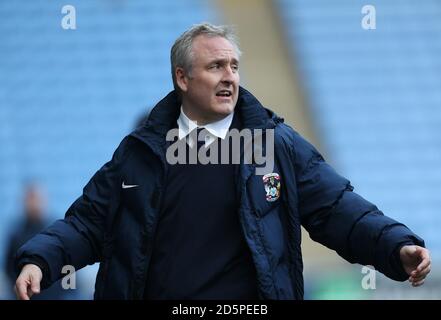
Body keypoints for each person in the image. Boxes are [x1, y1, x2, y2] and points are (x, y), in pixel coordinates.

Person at [14, 23, 430, 300]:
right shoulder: (140, 151)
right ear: (182, 78)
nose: (230, 76)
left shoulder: (276, 144)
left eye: (234, 65)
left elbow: (337, 208)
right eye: (216, 66)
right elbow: (88, 223)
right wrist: (41, 259)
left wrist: (395, 245)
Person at [5, 183, 75, 299]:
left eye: (37, 198)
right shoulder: (16, 235)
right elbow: (9, 269)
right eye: (30, 199)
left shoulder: (56, 229)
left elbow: (70, 265)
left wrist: (67, 292)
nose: (33, 203)